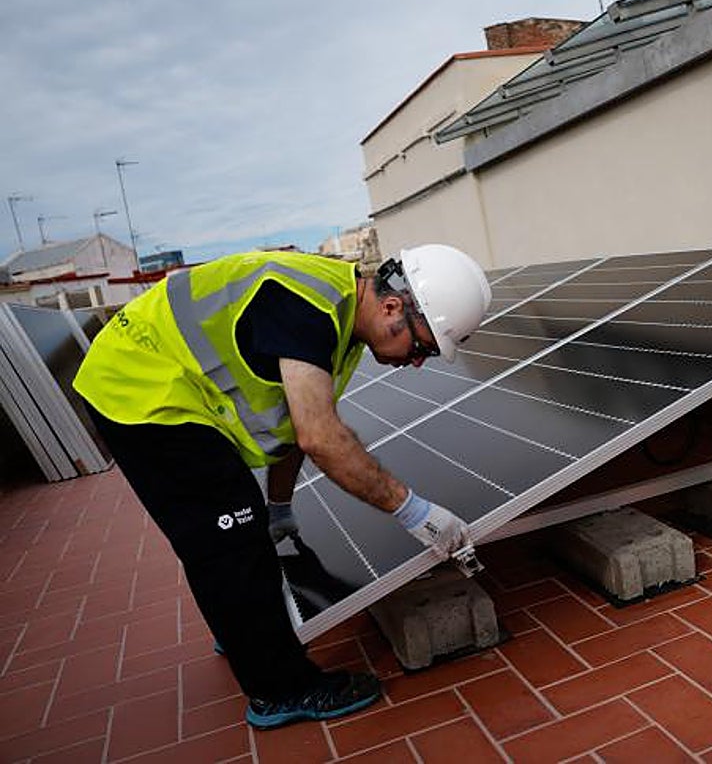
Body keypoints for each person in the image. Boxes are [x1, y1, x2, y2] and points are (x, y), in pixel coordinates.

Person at [73, 243, 492, 728]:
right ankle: (280, 690)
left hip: (159, 382)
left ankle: (243, 630)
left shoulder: (339, 317)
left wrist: (277, 506)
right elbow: (320, 437)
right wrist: (413, 511)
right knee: (228, 537)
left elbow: (296, 425)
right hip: (138, 387)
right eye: (421, 346)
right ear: (393, 306)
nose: (418, 361)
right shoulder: (307, 308)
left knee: (239, 527)